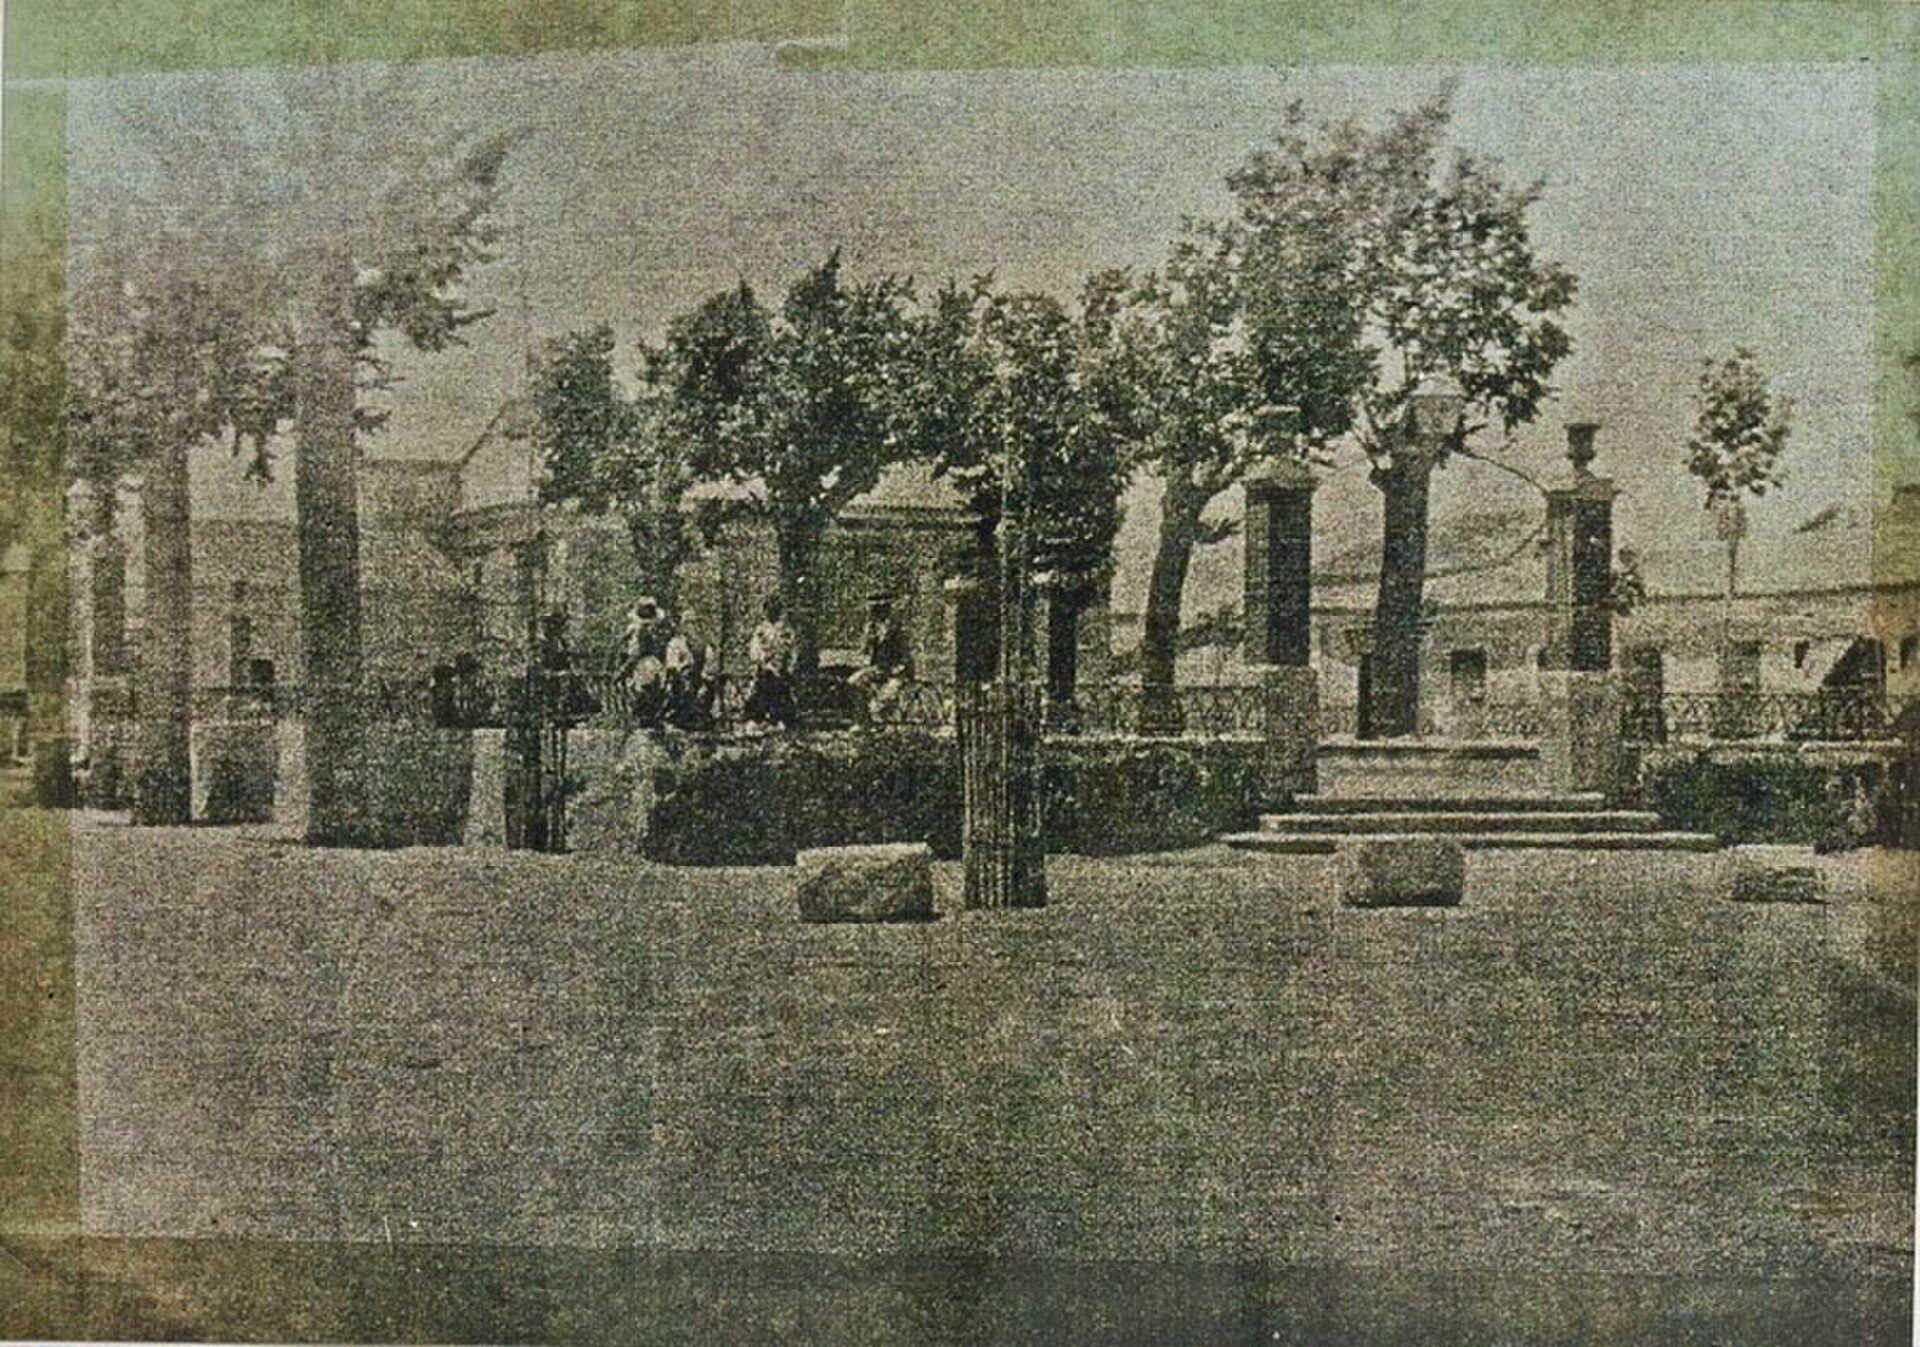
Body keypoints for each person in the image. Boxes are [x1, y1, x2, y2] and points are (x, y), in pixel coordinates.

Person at [849, 592, 914, 719]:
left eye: (878, 610)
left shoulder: (897, 627)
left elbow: (905, 652)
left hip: (897, 669)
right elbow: (864, 651)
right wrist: (867, 638)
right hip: (878, 668)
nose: (874, 614)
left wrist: (900, 669)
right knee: (853, 682)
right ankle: (864, 719)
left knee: (883, 700)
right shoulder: (872, 627)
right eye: (873, 610)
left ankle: (885, 717)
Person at [744, 595, 798, 728]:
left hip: (780, 668)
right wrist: (763, 660)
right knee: (759, 690)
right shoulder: (761, 630)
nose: (771, 613)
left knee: (781, 691)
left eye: (775, 609)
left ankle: (779, 718)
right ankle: (757, 718)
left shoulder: (786, 630)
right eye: (769, 610)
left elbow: (792, 650)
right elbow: (755, 649)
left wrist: (788, 667)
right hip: (764, 668)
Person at [620, 597, 668, 728]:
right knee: (650, 691)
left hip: (645, 664)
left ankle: (646, 719)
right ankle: (649, 719)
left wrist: (625, 668)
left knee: (644, 692)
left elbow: (639, 651)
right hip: (651, 664)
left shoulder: (644, 631)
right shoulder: (649, 630)